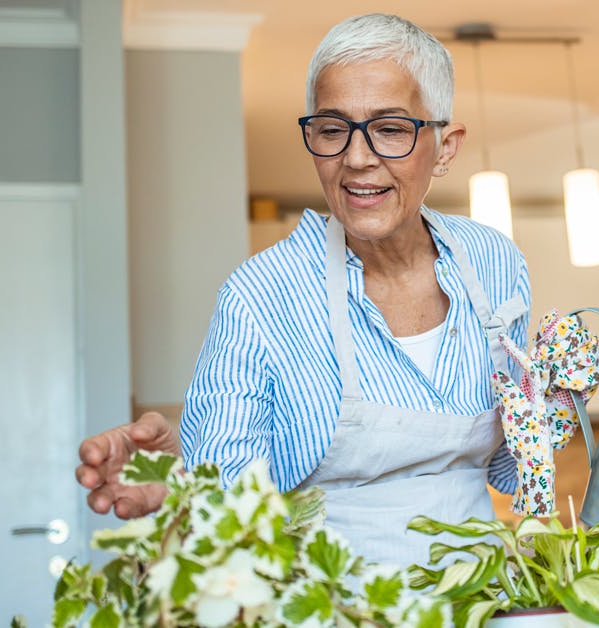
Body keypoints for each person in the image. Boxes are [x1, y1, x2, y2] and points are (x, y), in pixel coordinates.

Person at [76, 13, 530, 566]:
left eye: (390, 129)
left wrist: (558, 397)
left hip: (480, 595)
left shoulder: (495, 262)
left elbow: (512, 466)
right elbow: (225, 505)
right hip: (327, 603)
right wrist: (180, 484)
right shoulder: (260, 297)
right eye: (332, 129)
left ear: (446, 146)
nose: (357, 158)